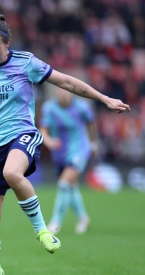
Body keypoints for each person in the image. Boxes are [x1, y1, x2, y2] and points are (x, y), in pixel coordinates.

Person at [0, 13, 130, 275]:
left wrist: (104, 98)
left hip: (22, 134)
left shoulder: (26, 62)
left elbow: (68, 83)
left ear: (8, 43)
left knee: (12, 173)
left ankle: (42, 230)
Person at [39, 88, 97, 235]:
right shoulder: (49, 108)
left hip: (79, 150)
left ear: (71, 92)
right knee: (70, 187)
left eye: (66, 91)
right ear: (56, 92)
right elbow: (43, 130)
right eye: (60, 91)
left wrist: (93, 143)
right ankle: (83, 218)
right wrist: (49, 141)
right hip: (60, 153)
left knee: (64, 184)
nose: (63, 94)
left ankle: (55, 222)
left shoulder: (82, 107)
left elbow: (91, 124)